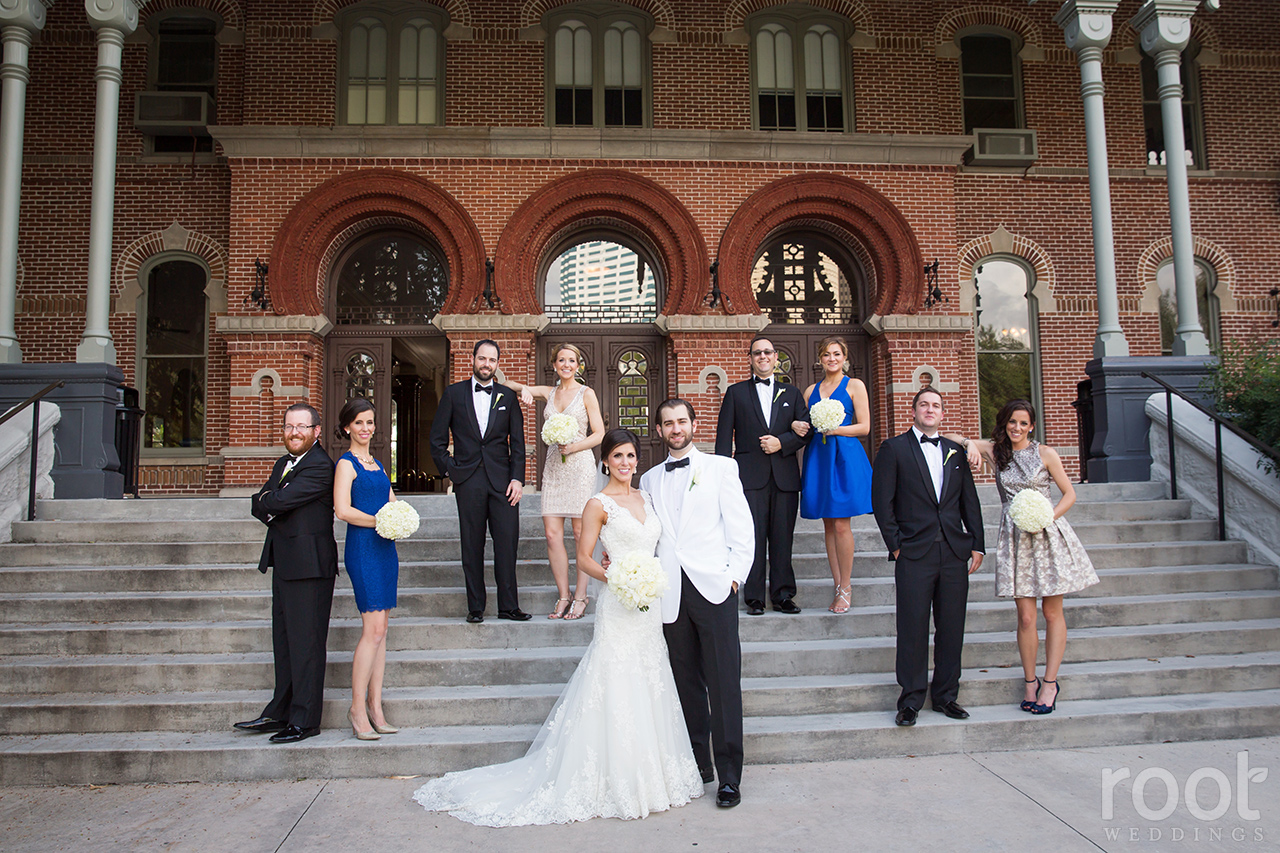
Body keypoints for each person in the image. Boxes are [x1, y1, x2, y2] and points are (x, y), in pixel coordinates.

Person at [413, 429, 704, 825]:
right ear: (605, 461)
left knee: (649, 679)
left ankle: (652, 774)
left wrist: (648, 581)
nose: (625, 463)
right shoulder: (597, 504)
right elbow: (584, 558)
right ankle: (614, 779)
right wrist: (617, 578)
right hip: (618, 603)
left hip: (649, 607)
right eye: (617, 456)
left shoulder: (647, 498)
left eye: (631, 456)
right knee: (617, 681)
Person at [947, 399, 1099, 715]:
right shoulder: (996, 452)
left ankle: (1050, 682)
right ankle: (1029, 681)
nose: (1017, 428)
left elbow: (1070, 494)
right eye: (1011, 422)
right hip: (1014, 537)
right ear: (1005, 424)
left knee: (1052, 612)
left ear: (1032, 426)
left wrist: (1047, 516)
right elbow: (947, 436)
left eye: (1023, 423)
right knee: (1026, 617)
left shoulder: (1046, 454)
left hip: (1046, 535)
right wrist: (968, 445)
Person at [641, 399, 754, 809]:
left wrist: (734, 577)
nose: (675, 428)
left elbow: (742, 529)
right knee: (685, 683)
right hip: (670, 594)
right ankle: (698, 764)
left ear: (694, 425)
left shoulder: (722, 468)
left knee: (724, 683)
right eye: (668, 423)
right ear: (659, 430)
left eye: (681, 421)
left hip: (714, 588)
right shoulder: (649, 479)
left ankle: (728, 776)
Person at [870, 386, 985, 728]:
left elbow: (969, 501)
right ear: (914, 411)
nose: (930, 410)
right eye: (924, 405)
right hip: (914, 551)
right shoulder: (893, 449)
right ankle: (910, 700)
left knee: (951, 626)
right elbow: (882, 502)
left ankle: (947, 695)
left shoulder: (955, 451)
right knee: (912, 627)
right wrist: (895, 544)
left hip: (953, 550)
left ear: (943, 414)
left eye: (936, 405)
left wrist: (976, 543)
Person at [236, 403, 338, 744]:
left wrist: (270, 501)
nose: (294, 432)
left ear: (316, 431)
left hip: (310, 567)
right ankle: (280, 711)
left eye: (302, 427)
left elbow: (275, 502)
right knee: (284, 643)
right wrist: (270, 501)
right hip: (285, 563)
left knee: (307, 645)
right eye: (289, 426)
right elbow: (258, 502)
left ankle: (305, 719)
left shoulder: (322, 466)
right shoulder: (284, 463)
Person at [429, 339, 529, 623]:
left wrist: (517, 479)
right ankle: (476, 607)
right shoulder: (453, 394)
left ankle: (509, 606)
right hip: (468, 480)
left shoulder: (507, 397)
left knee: (507, 543)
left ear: (498, 363)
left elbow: (518, 444)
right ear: (473, 359)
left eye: (492, 360)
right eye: (482, 359)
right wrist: (450, 470)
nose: (487, 364)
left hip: (503, 482)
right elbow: (436, 441)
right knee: (471, 545)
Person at [504, 344, 605, 620]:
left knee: (580, 532)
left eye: (572, 360)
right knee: (551, 534)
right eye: (561, 360)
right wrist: (523, 390)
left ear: (578, 365)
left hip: (579, 465)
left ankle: (581, 596)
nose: (567, 364)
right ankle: (564, 594)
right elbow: (508, 383)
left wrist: (574, 447)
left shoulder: (587, 394)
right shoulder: (548, 393)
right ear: (555, 364)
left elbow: (599, 434)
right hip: (553, 467)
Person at [714, 335, 807, 615]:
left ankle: (783, 594)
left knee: (782, 537)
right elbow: (722, 440)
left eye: (767, 352)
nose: (763, 357)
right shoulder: (735, 392)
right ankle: (753, 596)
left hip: (785, 477)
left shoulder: (791, 393)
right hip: (748, 478)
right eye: (757, 353)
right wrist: (723, 479)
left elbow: (806, 431)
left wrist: (782, 443)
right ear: (750, 359)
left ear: (776, 358)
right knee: (751, 536)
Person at [333, 396, 400, 740]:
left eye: (370, 421)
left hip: (385, 548)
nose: (365, 428)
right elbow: (342, 510)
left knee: (382, 630)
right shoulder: (346, 464)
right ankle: (357, 709)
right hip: (363, 548)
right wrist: (379, 521)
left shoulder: (376, 462)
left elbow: (390, 500)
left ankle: (376, 707)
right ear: (347, 427)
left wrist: (399, 518)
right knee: (372, 630)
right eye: (358, 422)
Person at [797, 336, 873, 614]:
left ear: (845, 358)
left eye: (837, 354)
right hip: (820, 456)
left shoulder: (855, 385)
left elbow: (864, 427)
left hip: (844, 456)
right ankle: (837, 582)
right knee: (828, 525)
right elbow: (806, 426)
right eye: (827, 354)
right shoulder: (810, 391)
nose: (832, 359)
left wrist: (836, 429)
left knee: (842, 524)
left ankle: (846, 587)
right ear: (820, 359)